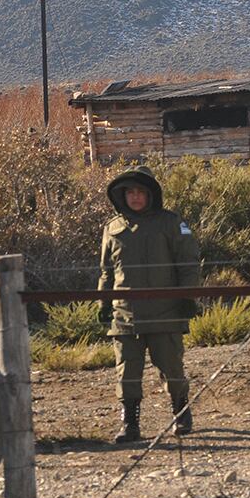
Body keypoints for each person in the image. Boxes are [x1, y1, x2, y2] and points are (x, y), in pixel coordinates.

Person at [97, 165, 201, 443]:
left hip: (165, 310)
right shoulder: (112, 228)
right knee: (127, 373)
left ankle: (182, 413)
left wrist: (188, 297)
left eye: (140, 191)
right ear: (122, 196)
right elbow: (107, 270)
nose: (135, 197)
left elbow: (188, 263)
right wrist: (104, 301)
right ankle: (130, 424)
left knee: (172, 367)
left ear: (151, 194)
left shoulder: (170, 223)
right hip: (125, 313)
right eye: (130, 192)